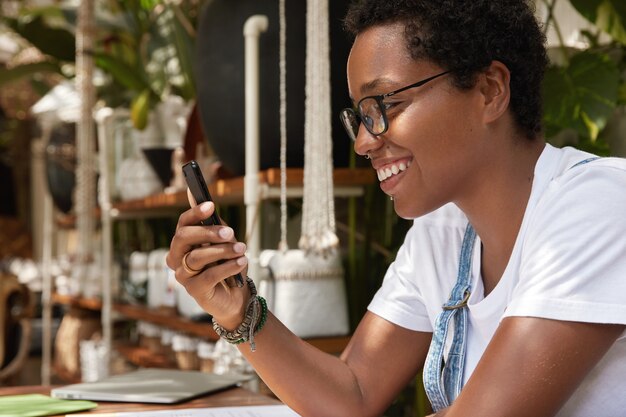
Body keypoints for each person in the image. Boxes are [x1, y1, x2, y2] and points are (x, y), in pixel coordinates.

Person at [166, 0, 626, 415]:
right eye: (360, 116)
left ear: (489, 90)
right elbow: (353, 394)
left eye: (386, 104)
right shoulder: (443, 230)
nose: (366, 141)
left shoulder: (597, 203)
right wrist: (237, 310)